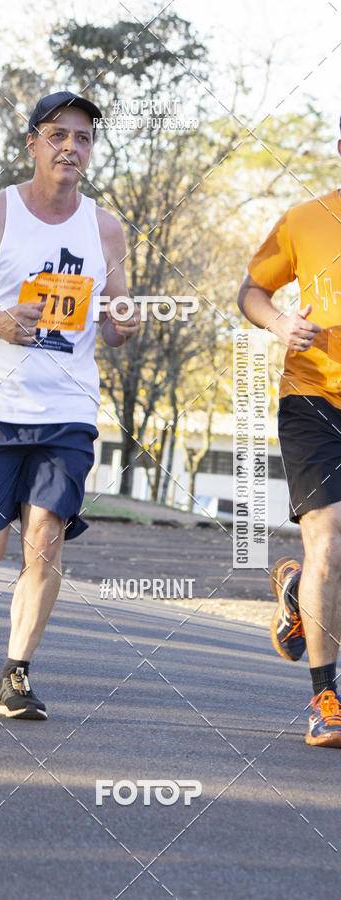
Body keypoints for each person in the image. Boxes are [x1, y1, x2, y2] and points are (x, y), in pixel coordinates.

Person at [0, 91, 140, 720]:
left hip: (67, 410)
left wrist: (123, 321)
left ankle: (16, 674)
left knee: (44, 536)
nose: (72, 146)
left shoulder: (105, 227)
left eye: (83, 137)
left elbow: (113, 315)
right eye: (58, 135)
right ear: (33, 145)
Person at [237, 127, 341, 748]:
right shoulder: (306, 220)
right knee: (328, 540)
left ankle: (300, 590)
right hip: (312, 398)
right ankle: (325, 698)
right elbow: (251, 290)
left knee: (334, 558)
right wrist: (279, 321)